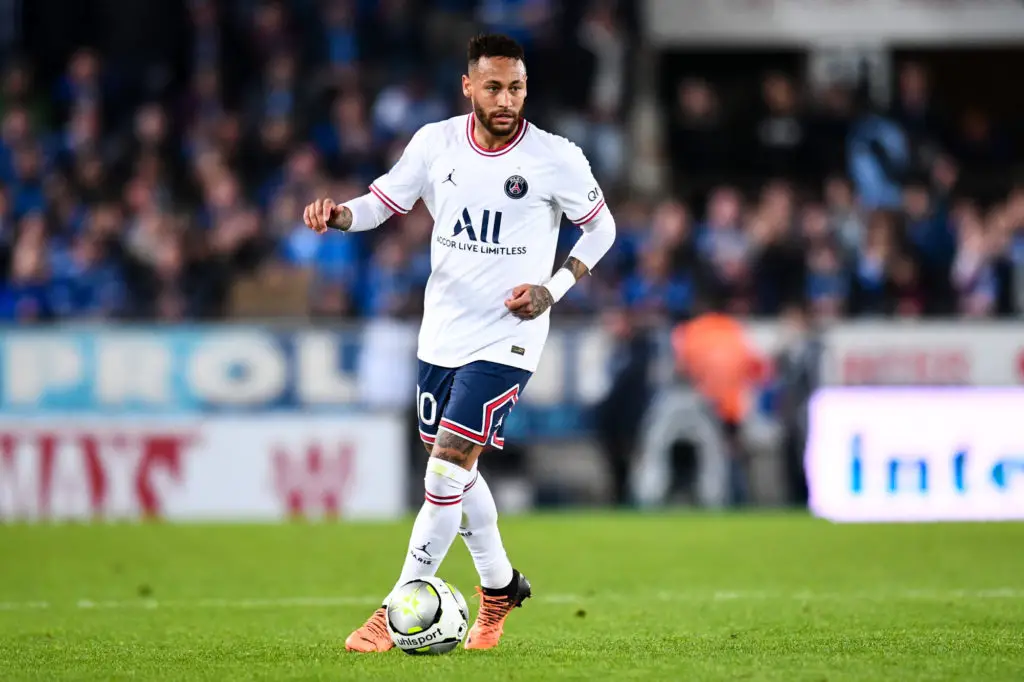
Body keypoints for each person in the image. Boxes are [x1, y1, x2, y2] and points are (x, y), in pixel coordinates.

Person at [302, 34, 616, 652]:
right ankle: (500, 586)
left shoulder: (556, 157)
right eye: (494, 87)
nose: (506, 100)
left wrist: (553, 288)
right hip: (442, 333)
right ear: (469, 87)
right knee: (455, 473)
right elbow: (382, 203)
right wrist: (340, 216)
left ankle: (395, 606)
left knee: (447, 468)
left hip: (508, 337)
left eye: (516, 88)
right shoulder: (434, 143)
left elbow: (601, 228)